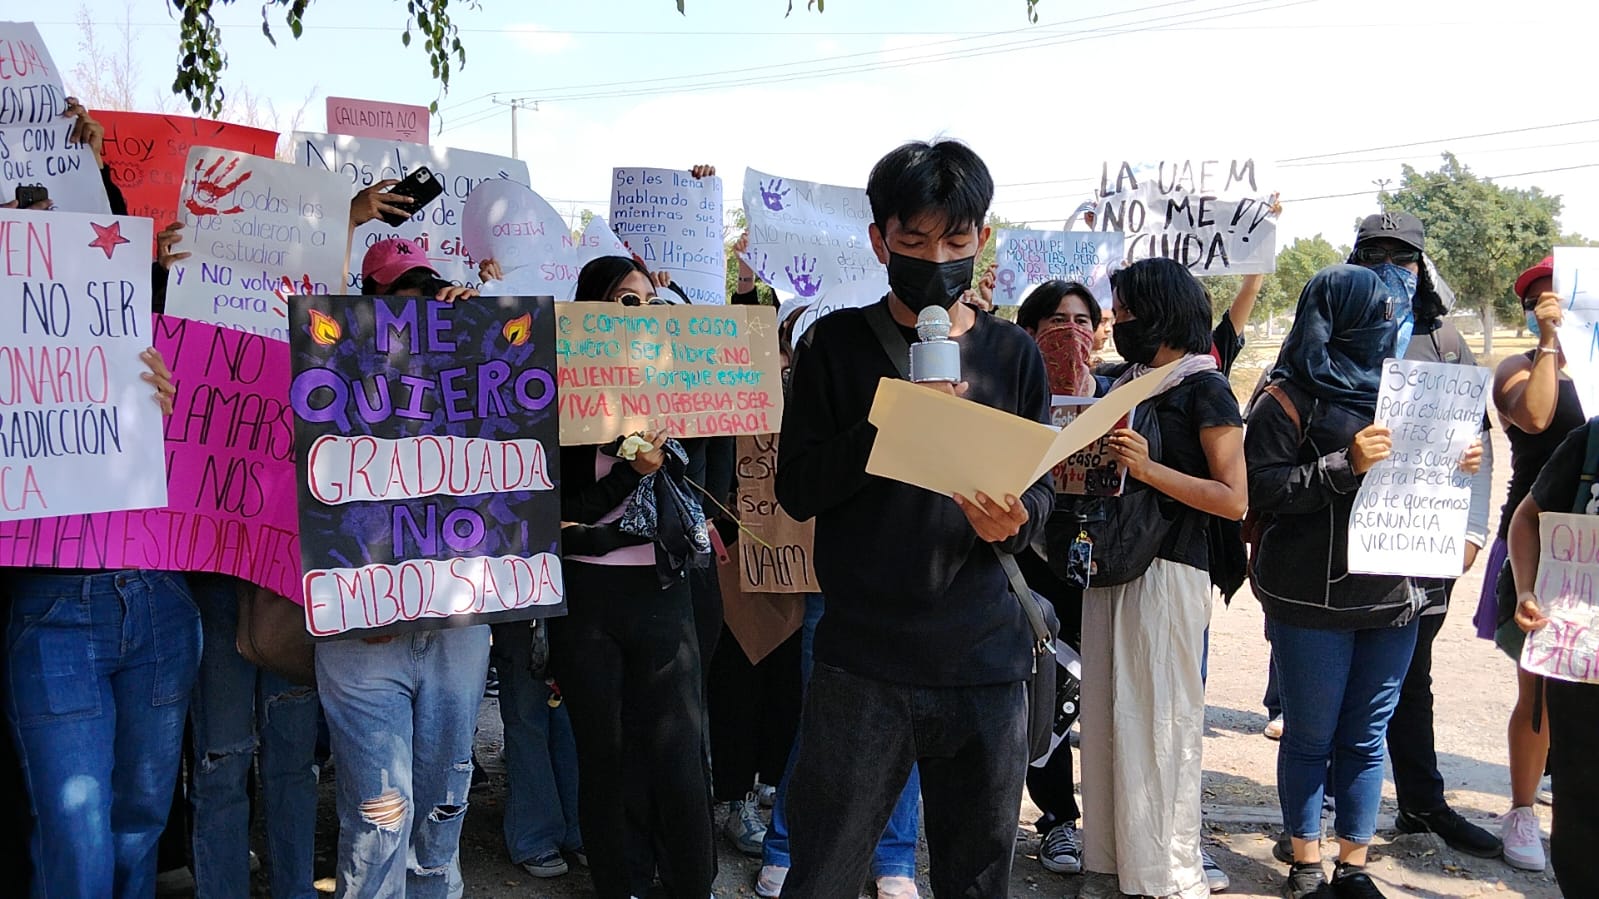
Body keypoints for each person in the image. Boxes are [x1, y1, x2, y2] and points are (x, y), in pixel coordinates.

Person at [775, 139, 1053, 897]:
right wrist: (888, 426)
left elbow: (1042, 493)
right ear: (878, 241)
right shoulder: (833, 346)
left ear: (980, 240)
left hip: (985, 662)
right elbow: (796, 488)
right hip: (861, 664)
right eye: (913, 241)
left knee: (976, 873)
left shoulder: (1014, 356)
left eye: (955, 241)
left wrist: (1016, 520)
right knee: (824, 868)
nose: (936, 257)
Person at [1248, 265, 1482, 899]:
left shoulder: (1406, 394)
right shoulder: (1283, 397)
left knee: (1366, 736)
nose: (1390, 326)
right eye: (1376, 315)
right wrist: (1342, 465)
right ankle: (1305, 862)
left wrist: (1457, 459)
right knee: (1310, 735)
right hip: (1312, 600)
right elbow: (1263, 489)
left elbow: (1428, 474)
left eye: (1391, 313)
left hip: (1394, 598)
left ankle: (1353, 865)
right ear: (1335, 318)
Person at [313, 238, 488, 898]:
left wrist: (478, 332)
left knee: (442, 816)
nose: (419, 308)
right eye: (402, 297)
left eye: (429, 292)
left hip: (456, 629)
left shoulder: (472, 370)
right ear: (368, 303)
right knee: (379, 822)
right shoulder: (326, 375)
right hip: (363, 636)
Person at [1076, 258, 1247, 899]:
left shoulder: (1206, 387)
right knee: (1106, 718)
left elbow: (1233, 500)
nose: (1118, 322)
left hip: (1169, 572)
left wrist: (1148, 471)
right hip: (1109, 566)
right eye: (1117, 313)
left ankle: (1163, 874)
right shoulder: (1123, 382)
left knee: (1160, 721)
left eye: (1127, 312)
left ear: (1163, 312)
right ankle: (1107, 862)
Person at [550, 254, 717, 899]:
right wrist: (629, 469)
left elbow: (709, 485)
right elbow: (560, 512)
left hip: (666, 588)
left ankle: (688, 882)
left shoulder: (681, 388)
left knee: (678, 754)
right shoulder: (559, 396)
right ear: (590, 310)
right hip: (588, 595)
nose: (639, 313)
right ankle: (620, 882)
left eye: (649, 302)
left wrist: (665, 460)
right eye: (624, 301)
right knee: (607, 753)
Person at [1335, 213, 1501, 860]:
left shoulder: (1444, 342)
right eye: (1373, 254)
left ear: (1421, 267)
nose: (1388, 268)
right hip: (1336, 542)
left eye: (1401, 258)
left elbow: (1477, 444)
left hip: (1421, 542)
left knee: (1410, 676)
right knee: (1335, 679)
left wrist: (1470, 530)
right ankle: (1326, 809)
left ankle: (1420, 804)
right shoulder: (1331, 331)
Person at [757, 302, 924, 899]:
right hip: (839, 585)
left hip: (927, 589)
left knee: (909, 728)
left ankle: (895, 860)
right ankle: (786, 846)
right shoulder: (830, 354)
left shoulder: (984, 358)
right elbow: (799, 484)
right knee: (822, 723)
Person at [1481, 254, 1581, 873]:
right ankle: (1522, 810)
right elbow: (1538, 416)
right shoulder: (1518, 367)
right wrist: (1549, 342)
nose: (1554, 307)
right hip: (1539, 542)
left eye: (1563, 300)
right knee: (1539, 689)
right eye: (1541, 300)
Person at [1506, 416, 1599, 897]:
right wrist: (1527, 589)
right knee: (1580, 803)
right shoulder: (1591, 440)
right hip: (1583, 666)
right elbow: (1527, 517)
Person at [489, 617, 583, 878]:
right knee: (526, 710)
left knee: (573, 715)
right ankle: (535, 832)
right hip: (522, 598)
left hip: (578, 594)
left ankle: (579, 825)